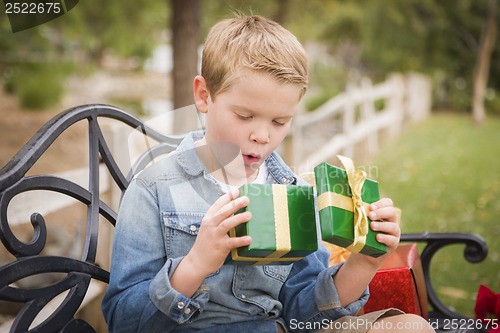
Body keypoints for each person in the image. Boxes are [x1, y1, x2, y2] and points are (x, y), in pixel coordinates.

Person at [101, 15, 434, 333]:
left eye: (279, 122)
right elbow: (122, 322)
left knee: (411, 326)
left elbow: (304, 314)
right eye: (245, 115)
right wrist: (195, 264)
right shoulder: (154, 189)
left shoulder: (291, 191)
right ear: (204, 96)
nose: (262, 136)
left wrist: (364, 263)